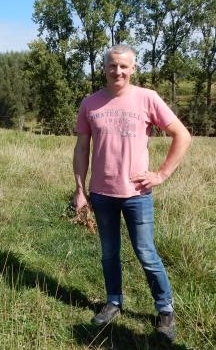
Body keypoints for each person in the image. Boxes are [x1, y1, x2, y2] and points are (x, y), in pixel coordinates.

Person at [72, 44, 191, 342]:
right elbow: (82, 148)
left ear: (134, 69)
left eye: (124, 66)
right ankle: (114, 301)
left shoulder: (147, 98)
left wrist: (161, 174)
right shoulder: (90, 103)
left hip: (137, 194)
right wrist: (80, 190)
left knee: (146, 253)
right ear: (104, 68)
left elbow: (182, 134)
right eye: (113, 65)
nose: (118, 71)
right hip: (101, 193)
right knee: (109, 253)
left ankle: (164, 310)